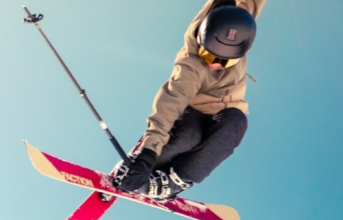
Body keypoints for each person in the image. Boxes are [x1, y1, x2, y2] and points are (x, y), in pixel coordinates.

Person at [114, 0, 266, 201]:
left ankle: (172, 183)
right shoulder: (192, 64)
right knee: (188, 137)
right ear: (203, 41)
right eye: (209, 56)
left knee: (236, 123)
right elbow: (170, 103)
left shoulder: (241, 22)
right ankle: (143, 166)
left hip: (225, 114)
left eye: (225, 62)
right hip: (192, 112)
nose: (215, 65)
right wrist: (146, 155)